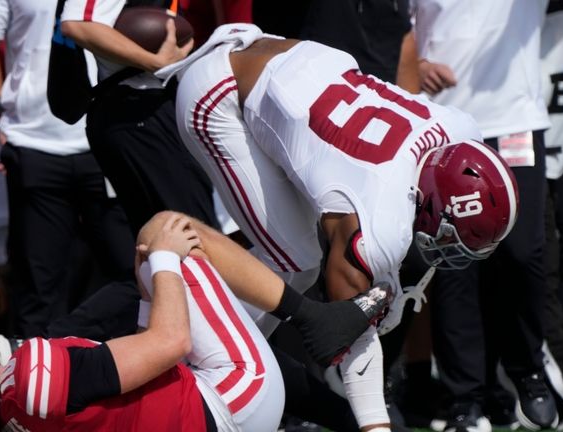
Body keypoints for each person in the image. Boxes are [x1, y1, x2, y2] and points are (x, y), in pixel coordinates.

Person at [155, 23, 520, 431]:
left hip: (291, 65)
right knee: (296, 260)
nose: (449, 251)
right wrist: (376, 426)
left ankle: (169, 307)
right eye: (451, 238)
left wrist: (391, 288)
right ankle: (203, 370)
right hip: (222, 95)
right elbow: (346, 333)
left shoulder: (460, 131)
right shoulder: (380, 216)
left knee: (289, 248)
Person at [0, 211, 391, 431]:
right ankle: (317, 322)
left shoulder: (16, 412)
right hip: (233, 396)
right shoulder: (28, 382)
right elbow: (169, 342)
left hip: (204, 413)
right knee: (167, 233)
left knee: (150, 274)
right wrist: (169, 263)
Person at [0, 0, 135, 339]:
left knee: (133, 273)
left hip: (110, 139)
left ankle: (115, 378)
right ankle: (35, 384)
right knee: (36, 287)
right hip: (34, 144)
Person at [412, 0, 558, 430]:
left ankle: (527, 372)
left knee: (522, 253)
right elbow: (398, 26)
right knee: (454, 264)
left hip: (515, 119)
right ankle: (465, 398)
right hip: (443, 122)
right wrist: (415, 64)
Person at [58, 0, 221, 236]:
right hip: (137, 110)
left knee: (178, 237)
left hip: (154, 106)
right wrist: (156, 62)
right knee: (190, 236)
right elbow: (78, 24)